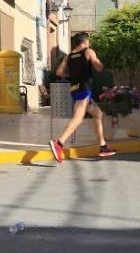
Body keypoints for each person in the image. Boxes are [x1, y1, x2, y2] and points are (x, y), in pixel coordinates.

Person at [49, 32, 116, 163]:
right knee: (78, 119)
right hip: (84, 90)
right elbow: (99, 67)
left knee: (98, 114)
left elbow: (59, 72)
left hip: (75, 89)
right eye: (88, 41)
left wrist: (73, 73)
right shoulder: (88, 51)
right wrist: (96, 61)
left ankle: (103, 146)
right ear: (85, 41)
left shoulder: (68, 56)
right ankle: (59, 143)